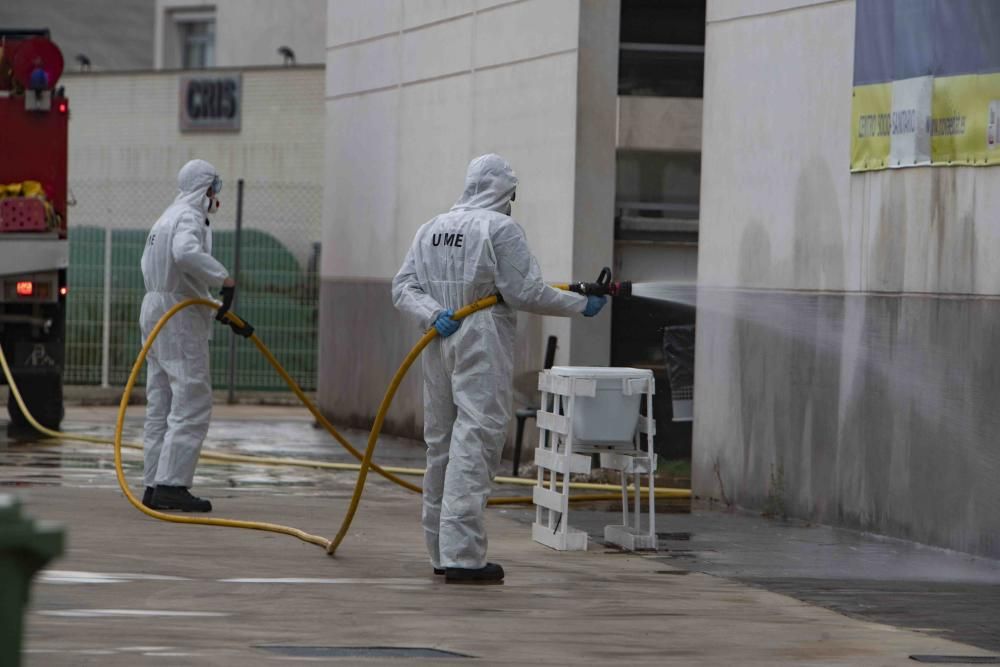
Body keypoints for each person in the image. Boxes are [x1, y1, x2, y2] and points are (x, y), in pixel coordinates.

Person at [392, 154, 607, 584]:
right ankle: (463, 557)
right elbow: (525, 291)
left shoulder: (431, 228)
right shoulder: (500, 228)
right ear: (505, 192)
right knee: (476, 441)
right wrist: (582, 304)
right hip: (480, 339)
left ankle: (439, 550)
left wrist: (432, 312)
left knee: (442, 444)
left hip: (438, 339)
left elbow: (403, 286)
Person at [139, 159, 235, 512]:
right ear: (204, 187)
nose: (215, 196)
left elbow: (169, 270)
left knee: (160, 402)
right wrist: (223, 279)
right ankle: (172, 484)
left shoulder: (165, 217)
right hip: (177, 318)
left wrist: (209, 303)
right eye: (214, 188)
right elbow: (185, 254)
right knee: (191, 397)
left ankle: (153, 483)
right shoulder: (189, 217)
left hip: (156, 308)